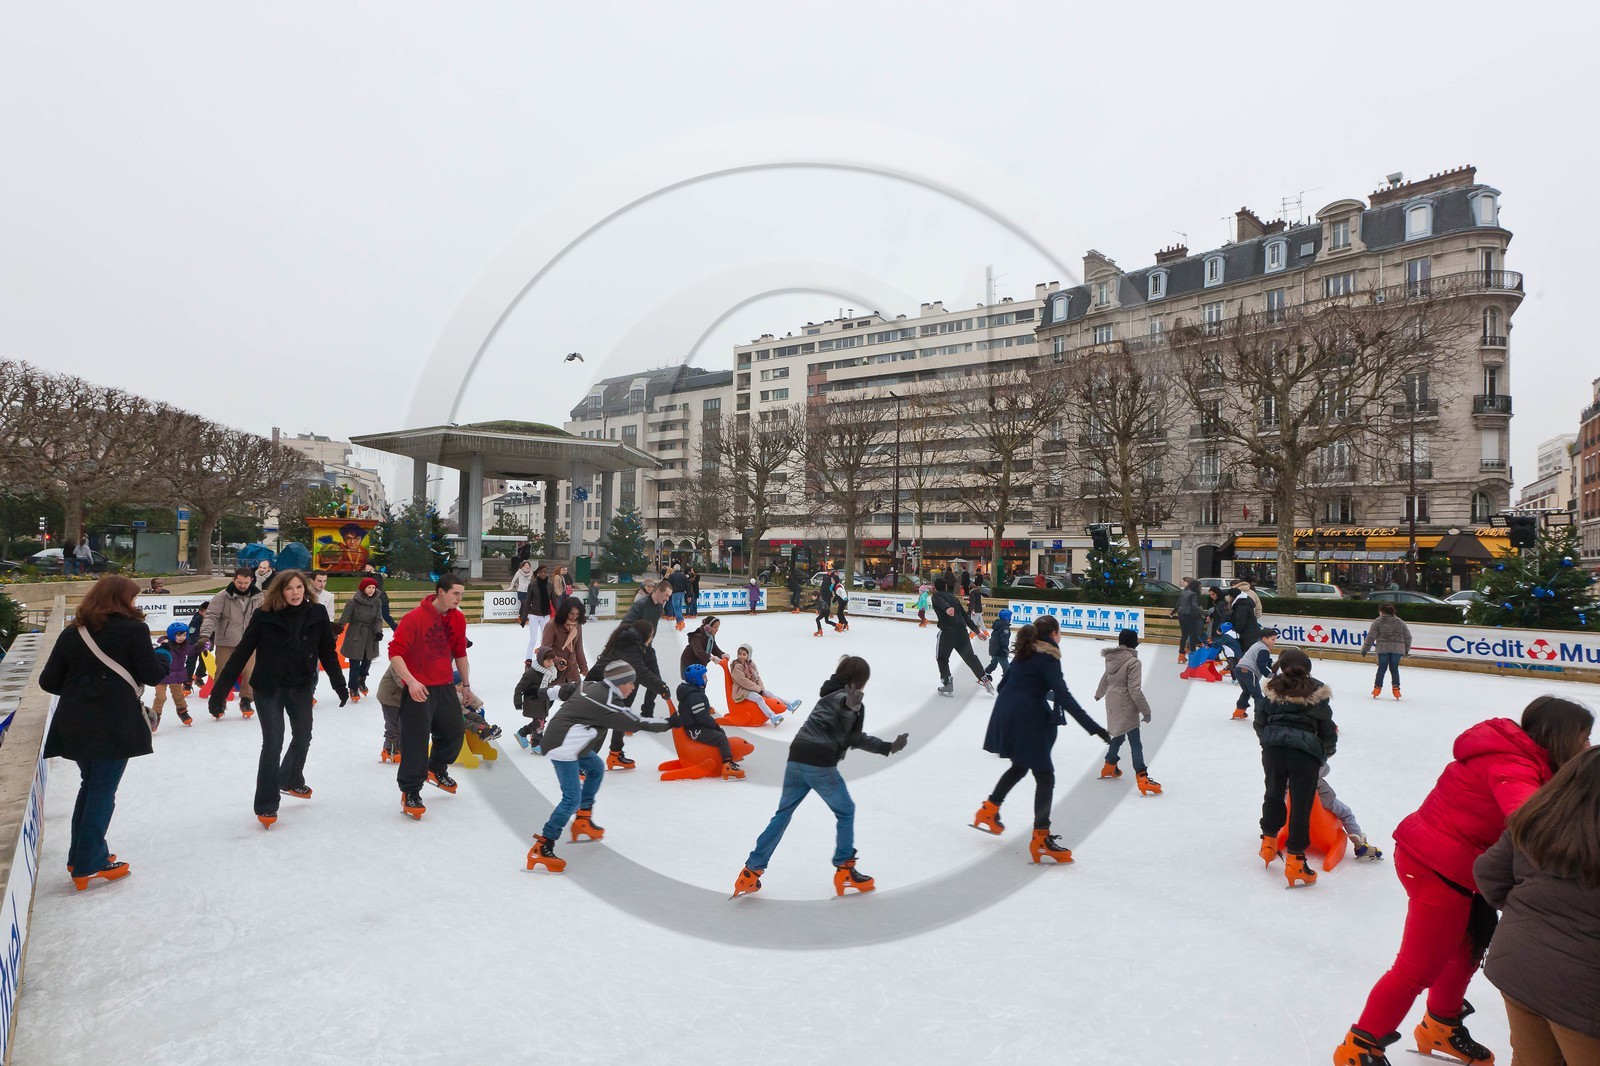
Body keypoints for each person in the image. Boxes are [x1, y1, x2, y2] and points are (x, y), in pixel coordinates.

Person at [1334, 696, 1594, 1066]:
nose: (1587, 746)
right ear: (1562, 736)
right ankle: (1360, 1047)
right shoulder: (1513, 764)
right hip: (1435, 866)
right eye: (1584, 738)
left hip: (1464, 865)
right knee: (1417, 968)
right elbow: (1531, 821)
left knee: (1468, 948)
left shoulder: (1533, 760)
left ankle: (1440, 1026)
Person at [732, 656, 909, 899]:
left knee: (783, 814)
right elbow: (852, 730)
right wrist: (886, 746)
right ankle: (845, 870)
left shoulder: (828, 695)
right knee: (845, 811)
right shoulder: (847, 700)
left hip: (796, 758)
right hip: (819, 763)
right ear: (861, 680)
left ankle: (750, 872)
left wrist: (851, 708)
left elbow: (841, 713)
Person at [39, 575, 169, 890]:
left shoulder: (73, 631)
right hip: (114, 722)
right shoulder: (134, 630)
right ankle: (89, 863)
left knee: (90, 786)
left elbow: (48, 681)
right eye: (133, 598)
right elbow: (151, 674)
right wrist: (164, 658)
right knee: (101, 792)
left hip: (75, 721)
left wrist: (82, 688)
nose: (135, 603)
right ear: (123, 600)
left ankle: (81, 855)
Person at [1473, 747, 1600, 1066]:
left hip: (1517, 964)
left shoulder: (1536, 820)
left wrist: (1525, 915)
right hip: (1584, 991)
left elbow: (1488, 873)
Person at [209, 570, 347, 827]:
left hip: (301, 686)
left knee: (303, 736)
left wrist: (339, 684)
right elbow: (242, 653)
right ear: (280, 591)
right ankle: (266, 803)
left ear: (306, 589)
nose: (295, 593)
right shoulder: (264, 615)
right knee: (273, 742)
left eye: (299, 587)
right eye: (289, 588)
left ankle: (290, 778)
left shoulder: (316, 613)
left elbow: (327, 652)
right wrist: (219, 692)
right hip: (269, 688)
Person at [973, 615, 1111, 862]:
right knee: (1045, 777)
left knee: (1020, 767)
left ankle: (988, 810)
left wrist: (1029, 692)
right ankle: (1041, 838)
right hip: (1027, 720)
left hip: (1006, 714)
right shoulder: (1048, 657)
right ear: (1054, 634)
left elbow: (1003, 687)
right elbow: (1064, 696)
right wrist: (1095, 728)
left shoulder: (1025, 652)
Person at [526, 661, 677, 872]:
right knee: (571, 799)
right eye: (630, 683)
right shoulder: (607, 703)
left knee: (596, 767)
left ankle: (583, 818)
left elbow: (564, 690)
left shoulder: (590, 686)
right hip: (563, 747)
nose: (633, 687)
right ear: (620, 682)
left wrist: (539, 693)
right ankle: (543, 845)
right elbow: (637, 722)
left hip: (565, 739)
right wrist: (671, 723)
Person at [387, 573, 473, 820]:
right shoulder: (414, 618)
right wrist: (411, 681)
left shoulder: (457, 618)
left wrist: (466, 684)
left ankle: (435, 768)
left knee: (454, 731)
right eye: (455, 593)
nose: (459, 598)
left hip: (444, 685)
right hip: (418, 688)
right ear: (440, 592)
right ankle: (411, 791)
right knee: (415, 742)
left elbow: (460, 652)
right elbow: (395, 653)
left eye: (462, 594)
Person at [1252, 647, 1337, 888]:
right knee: (1301, 805)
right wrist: (1323, 754)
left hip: (1273, 752)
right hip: (1304, 755)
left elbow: (1260, 721)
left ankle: (1268, 843)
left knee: (1273, 794)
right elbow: (1328, 731)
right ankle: (1296, 861)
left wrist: (1269, 742)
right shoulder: (1317, 691)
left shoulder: (1271, 688)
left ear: (1281, 666)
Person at [585, 620, 672, 769]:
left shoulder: (639, 647)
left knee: (622, 716)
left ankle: (615, 754)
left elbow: (648, 672)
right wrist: (661, 688)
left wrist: (660, 687)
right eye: (651, 635)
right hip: (599, 687)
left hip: (615, 687)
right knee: (601, 724)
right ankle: (583, 764)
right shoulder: (630, 647)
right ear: (644, 635)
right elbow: (640, 672)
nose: (652, 639)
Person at [1095, 629, 1160, 795]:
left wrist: (1099, 694)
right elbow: (1134, 690)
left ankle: (1109, 765)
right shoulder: (1133, 662)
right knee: (1135, 742)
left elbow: (1105, 678)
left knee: (1118, 734)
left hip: (1112, 700)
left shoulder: (1112, 659)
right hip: (1125, 703)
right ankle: (1142, 777)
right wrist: (1146, 711)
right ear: (1134, 643)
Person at [198, 566, 263, 718]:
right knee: (222, 672)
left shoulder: (259, 597)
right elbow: (211, 616)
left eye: (246, 583)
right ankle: (219, 701)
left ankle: (246, 700)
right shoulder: (222, 596)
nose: (242, 585)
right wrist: (205, 635)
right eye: (239, 582)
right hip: (226, 641)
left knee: (250, 672)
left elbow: (265, 617)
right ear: (234, 580)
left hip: (249, 641)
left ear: (251, 581)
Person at [676, 663, 744, 778]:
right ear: (695, 679)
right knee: (721, 737)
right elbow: (702, 716)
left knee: (720, 733)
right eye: (703, 677)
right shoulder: (694, 695)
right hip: (694, 729)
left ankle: (725, 757)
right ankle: (727, 766)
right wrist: (714, 725)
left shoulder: (693, 691)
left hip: (695, 726)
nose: (706, 679)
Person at [931, 577, 992, 697]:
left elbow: (941, 603)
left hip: (948, 633)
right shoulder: (953, 597)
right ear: (945, 586)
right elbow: (965, 615)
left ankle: (948, 683)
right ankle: (984, 679)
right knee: (970, 657)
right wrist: (977, 631)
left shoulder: (936, 596)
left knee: (942, 658)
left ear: (935, 587)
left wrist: (947, 609)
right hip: (961, 632)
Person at [512, 648, 578, 751]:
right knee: (539, 722)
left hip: (543, 700)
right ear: (540, 660)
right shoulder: (531, 673)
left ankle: (522, 733)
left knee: (540, 721)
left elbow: (553, 680)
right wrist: (517, 701)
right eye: (548, 660)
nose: (551, 663)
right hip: (533, 700)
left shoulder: (550, 671)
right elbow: (520, 687)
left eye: (552, 660)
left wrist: (561, 669)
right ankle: (536, 744)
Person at [1318, 763, 1384, 862]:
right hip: (1322, 798)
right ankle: (1360, 845)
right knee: (1346, 813)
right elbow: (1325, 770)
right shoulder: (1314, 761)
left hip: (1297, 800)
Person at [339, 576, 385, 700]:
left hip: (370, 634)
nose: (371, 590)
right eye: (369, 587)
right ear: (363, 588)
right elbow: (344, 618)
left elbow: (378, 619)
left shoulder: (377, 602)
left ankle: (361, 679)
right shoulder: (353, 602)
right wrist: (335, 631)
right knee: (354, 662)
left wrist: (378, 632)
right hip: (356, 634)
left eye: (373, 587)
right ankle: (353, 687)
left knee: (367, 661)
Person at [729, 642, 800, 723]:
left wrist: (761, 689)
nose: (741, 656)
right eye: (739, 654)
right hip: (742, 691)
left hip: (753, 688)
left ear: (749, 655)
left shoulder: (751, 664)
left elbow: (757, 677)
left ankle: (788, 705)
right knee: (758, 698)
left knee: (769, 694)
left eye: (744, 654)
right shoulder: (737, 666)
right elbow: (743, 681)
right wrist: (758, 689)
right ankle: (772, 716)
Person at [1361, 603, 1413, 700]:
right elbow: (1408, 637)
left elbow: (1371, 637)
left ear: (1381, 611)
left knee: (1382, 668)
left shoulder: (1377, 622)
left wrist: (1365, 649)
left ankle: (1377, 689)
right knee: (1394, 669)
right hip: (1397, 649)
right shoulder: (1400, 622)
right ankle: (1396, 690)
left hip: (1383, 648)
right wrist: (1406, 649)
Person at [151, 622, 197, 728]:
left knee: (178, 696)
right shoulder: (164, 645)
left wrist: (202, 645)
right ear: (172, 635)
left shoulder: (184, 645)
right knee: (160, 697)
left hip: (176, 676)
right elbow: (155, 654)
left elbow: (193, 650)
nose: (182, 638)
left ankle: (182, 712)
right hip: (162, 675)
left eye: (184, 635)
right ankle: (155, 716)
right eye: (179, 635)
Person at [537, 598, 589, 686]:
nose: (574, 617)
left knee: (576, 693)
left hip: (572, 670)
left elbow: (578, 647)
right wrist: (557, 661)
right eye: (572, 613)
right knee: (553, 693)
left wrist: (583, 666)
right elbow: (545, 649)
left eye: (577, 614)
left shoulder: (577, 625)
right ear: (565, 612)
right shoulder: (551, 625)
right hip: (554, 670)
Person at [1232, 627, 1279, 722]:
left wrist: (1274, 669)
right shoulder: (1263, 649)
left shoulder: (1257, 645)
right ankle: (1260, 717)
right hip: (1248, 671)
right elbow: (1261, 665)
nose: (1274, 642)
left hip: (1239, 669)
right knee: (1257, 695)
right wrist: (1272, 676)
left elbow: (1266, 662)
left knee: (1247, 691)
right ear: (1264, 639)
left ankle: (1239, 711)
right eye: (1272, 639)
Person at [518, 564, 554, 659]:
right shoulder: (532, 585)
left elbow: (554, 601)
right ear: (538, 573)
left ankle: (544, 658)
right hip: (534, 615)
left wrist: (560, 615)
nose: (543, 574)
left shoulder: (550, 585)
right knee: (533, 639)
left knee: (545, 639)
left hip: (545, 615)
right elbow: (528, 601)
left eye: (545, 572)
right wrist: (524, 618)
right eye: (541, 572)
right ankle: (528, 659)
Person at [1172, 578, 1204, 665]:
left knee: (1184, 635)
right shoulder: (1193, 594)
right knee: (1193, 635)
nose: (1200, 589)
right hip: (1189, 615)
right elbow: (1194, 606)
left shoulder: (1184, 592)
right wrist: (1204, 613)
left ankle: (1181, 656)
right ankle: (1193, 656)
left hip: (1181, 615)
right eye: (1200, 587)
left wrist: (1174, 611)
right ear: (1196, 587)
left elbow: (1178, 603)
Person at [984, 608, 1013, 678]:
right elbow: (1004, 639)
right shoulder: (1005, 628)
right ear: (1007, 618)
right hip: (1000, 650)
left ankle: (985, 674)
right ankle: (1008, 679)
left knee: (993, 664)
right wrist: (1005, 648)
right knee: (1006, 667)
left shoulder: (998, 626)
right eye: (1010, 617)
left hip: (993, 649)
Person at [665, 564, 691, 631]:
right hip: (682, 593)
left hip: (675, 593)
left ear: (674, 569)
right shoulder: (683, 576)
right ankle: (678, 622)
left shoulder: (671, 576)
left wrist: (667, 594)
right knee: (679, 607)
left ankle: (680, 621)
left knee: (676, 608)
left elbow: (669, 585)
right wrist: (688, 595)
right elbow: (687, 586)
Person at [813, 570, 835, 636]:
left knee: (820, 619)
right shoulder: (827, 579)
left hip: (825, 609)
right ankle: (837, 625)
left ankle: (820, 630)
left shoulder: (827, 579)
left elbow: (828, 588)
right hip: (825, 599)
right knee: (826, 621)